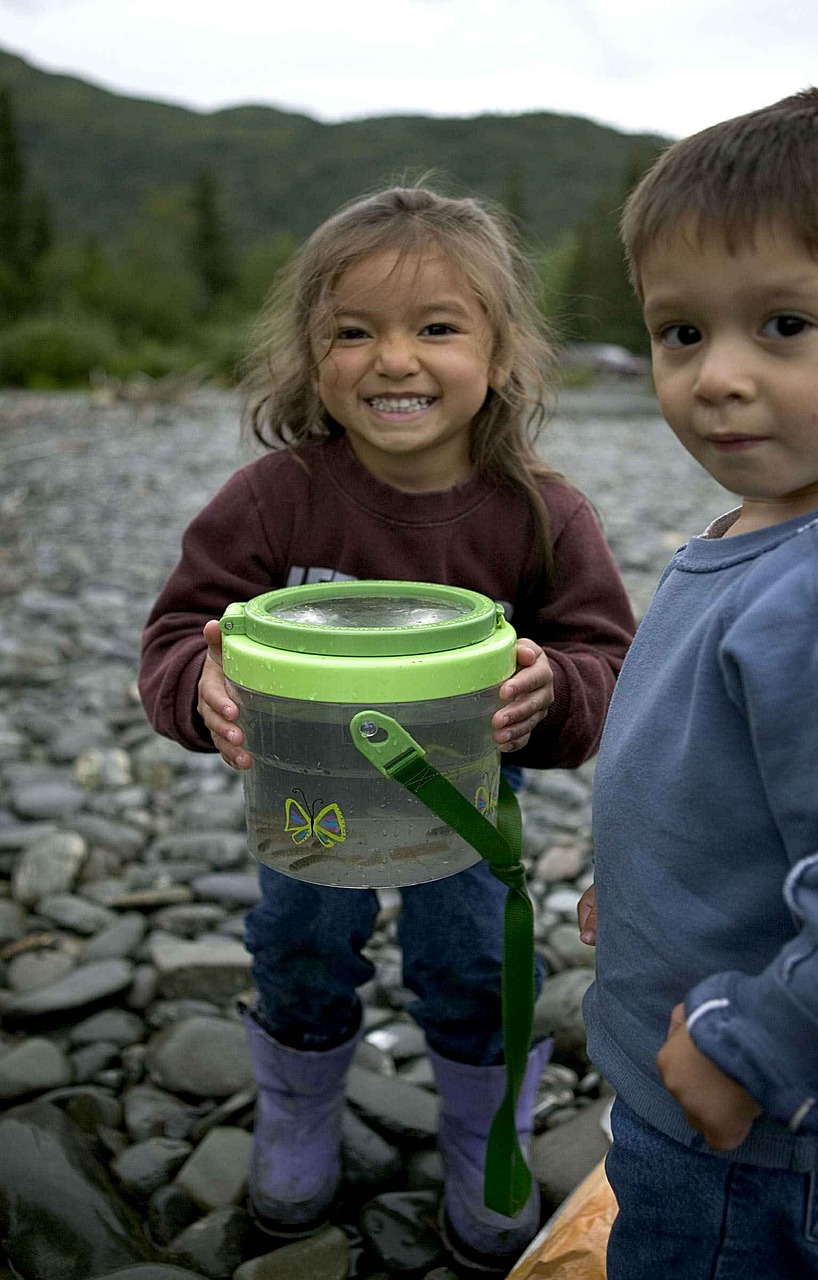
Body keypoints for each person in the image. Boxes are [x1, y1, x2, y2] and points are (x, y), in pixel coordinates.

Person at [139, 185, 635, 1272]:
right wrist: (201, 683)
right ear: (312, 357)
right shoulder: (276, 498)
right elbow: (181, 627)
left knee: (468, 964)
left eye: (437, 327)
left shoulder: (542, 515)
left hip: (465, 804)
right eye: (352, 331)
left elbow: (608, 658)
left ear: (503, 355)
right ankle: (298, 1109)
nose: (393, 358)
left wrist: (557, 687)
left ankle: (477, 1128)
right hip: (305, 798)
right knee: (299, 948)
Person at [577, 85, 818, 1280]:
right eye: (682, 332)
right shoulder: (777, 529)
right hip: (708, 1075)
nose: (716, 376)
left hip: (760, 1119)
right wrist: (641, 893)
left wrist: (765, 1041)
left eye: (785, 324)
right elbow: (736, 775)